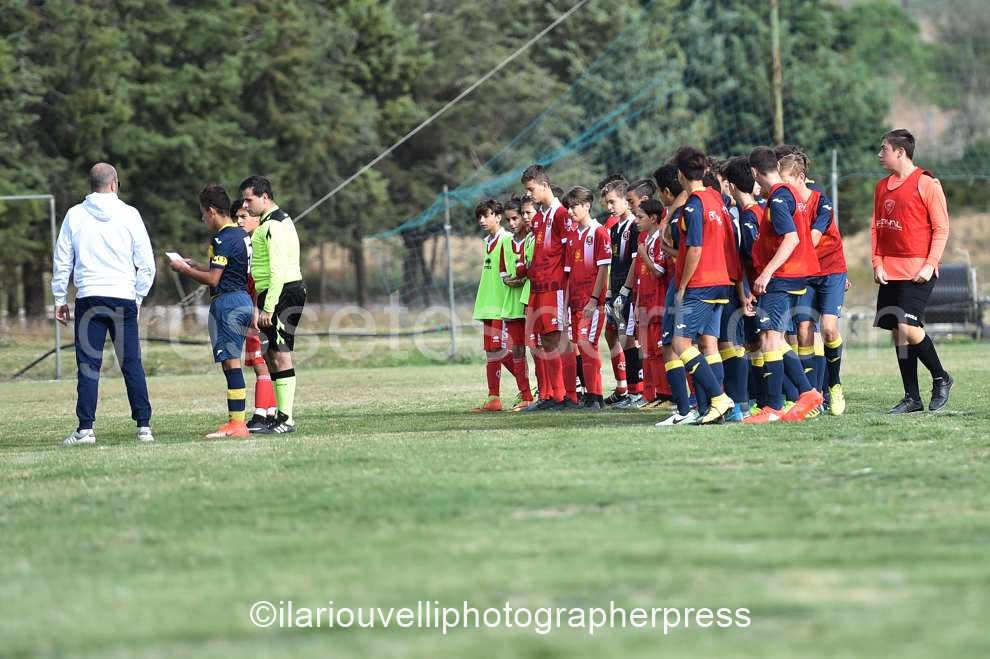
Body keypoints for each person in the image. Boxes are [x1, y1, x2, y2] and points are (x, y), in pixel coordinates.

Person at [53, 163, 156, 445]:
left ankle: (85, 428)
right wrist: (137, 297)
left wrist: (59, 298)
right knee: (131, 362)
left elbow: (63, 260)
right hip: (123, 296)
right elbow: (146, 263)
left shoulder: (74, 215)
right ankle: (144, 426)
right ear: (114, 184)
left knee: (88, 364)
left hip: (89, 297)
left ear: (92, 184)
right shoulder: (129, 214)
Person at [871, 129, 952, 413]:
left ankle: (941, 378)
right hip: (890, 269)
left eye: (884, 149)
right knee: (897, 331)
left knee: (908, 326)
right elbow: (877, 228)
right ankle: (912, 398)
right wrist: (877, 262)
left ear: (900, 152)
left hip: (919, 269)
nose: (880, 155)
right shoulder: (881, 187)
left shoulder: (927, 183)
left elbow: (941, 228)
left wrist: (931, 264)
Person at [743, 147, 823, 424]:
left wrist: (766, 273)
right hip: (789, 275)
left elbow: (791, 238)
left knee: (771, 339)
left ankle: (774, 408)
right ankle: (808, 393)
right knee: (770, 338)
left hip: (783, 276)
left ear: (754, 172)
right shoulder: (784, 194)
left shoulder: (778, 197)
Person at [170, 186, 254, 438]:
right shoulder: (240, 235)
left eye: (203, 214)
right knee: (230, 363)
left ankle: (237, 424)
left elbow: (213, 279)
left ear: (211, 210)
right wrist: (197, 265)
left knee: (232, 362)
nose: (202, 219)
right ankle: (235, 421)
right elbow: (225, 270)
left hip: (228, 303)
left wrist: (183, 269)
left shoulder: (222, 238)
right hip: (241, 298)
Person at [239, 175, 306, 433]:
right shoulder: (271, 221)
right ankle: (280, 415)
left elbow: (278, 268)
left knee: (280, 354)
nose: (245, 206)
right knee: (271, 354)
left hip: (283, 292)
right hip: (275, 293)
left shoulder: (274, 226)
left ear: (265, 197)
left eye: (249, 199)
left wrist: (268, 306)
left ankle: (287, 419)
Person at [520, 164, 573, 411]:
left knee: (559, 339)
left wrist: (567, 287)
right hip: (539, 287)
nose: (529, 194)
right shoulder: (540, 217)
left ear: (544, 185)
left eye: (531, 189)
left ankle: (569, 396)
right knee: (545, 341)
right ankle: (554, 395)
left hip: (556, 288)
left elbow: (569, 254)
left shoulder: (562, 214)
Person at [562, 186, 612, 409]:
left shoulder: (599, 232)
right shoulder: (572, 234)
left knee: (587, 344)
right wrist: (564, 304)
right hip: (574, 301)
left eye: (574, 206)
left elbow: (603, 270)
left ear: (586, 206)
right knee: (580, 346)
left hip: (591, 302)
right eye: (568, 207)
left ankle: (596, 395)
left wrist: (594, 299)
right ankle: (590, 395)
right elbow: (569, 272)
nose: (570, 211)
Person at [232, 198, 279, 432]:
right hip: (254, 306)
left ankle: (261, 415)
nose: (239, 221)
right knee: (264, 363)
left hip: (259, 308)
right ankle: (270, 412)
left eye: (244, 216)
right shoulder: (250, 242)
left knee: (262, 363)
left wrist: (258, 307)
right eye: (237, 217)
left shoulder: (259, 242)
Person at [471, 199, 516, 412]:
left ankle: (531, 388)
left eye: (486, 215)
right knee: (491, 351)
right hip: (488, 303)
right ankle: (493, 399)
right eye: (479, 217)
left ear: (498, 216)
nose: (482, 220)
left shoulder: (507, 239)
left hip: (501, 304)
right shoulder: (487, 241)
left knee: (500, 348)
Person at [498, 196, 535, 411]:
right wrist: (509, 280)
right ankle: (526, 395)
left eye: (515, 218)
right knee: (518, 350)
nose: (512, 224)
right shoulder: (505, 242)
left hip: (529, 300)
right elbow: (503, 272)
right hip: (512, 303)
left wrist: (522, 279)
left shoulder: (533, 239)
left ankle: (545, 393)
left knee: (538, 351)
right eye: (508, 220)